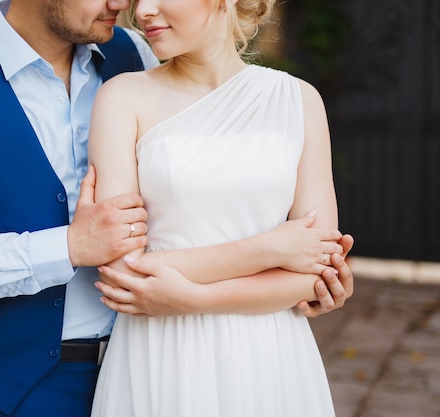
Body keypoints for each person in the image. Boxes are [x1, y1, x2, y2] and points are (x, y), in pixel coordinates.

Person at [0, 1, 352, 417]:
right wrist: (69, 246)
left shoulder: (137, 50)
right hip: (32, 385)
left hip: (164, 355)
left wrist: (308, 280)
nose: (128, 6)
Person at [88, 0, 352, 415]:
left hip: (272, 355)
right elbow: (124, 274)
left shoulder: (299, 100)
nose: (142, 12)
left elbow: (318, 271)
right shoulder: (123, 98)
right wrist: (271, 250)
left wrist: (192, 298)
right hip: (161, 354)